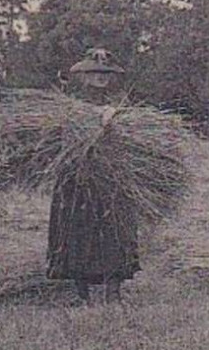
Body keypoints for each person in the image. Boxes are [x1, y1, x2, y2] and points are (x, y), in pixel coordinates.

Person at [46, 49, 140, 304]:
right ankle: (82, 294)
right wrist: (97, 121)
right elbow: (66, 135)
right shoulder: (71, 101)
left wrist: (115, 120)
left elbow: (129, 137)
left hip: (112, 176)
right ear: (85, 74)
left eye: (105, 73)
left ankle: (113, 292)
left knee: (115, 230)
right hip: (78, 176)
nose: (101, 77)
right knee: (77, 229)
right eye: (96, 72)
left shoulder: (121, 101)